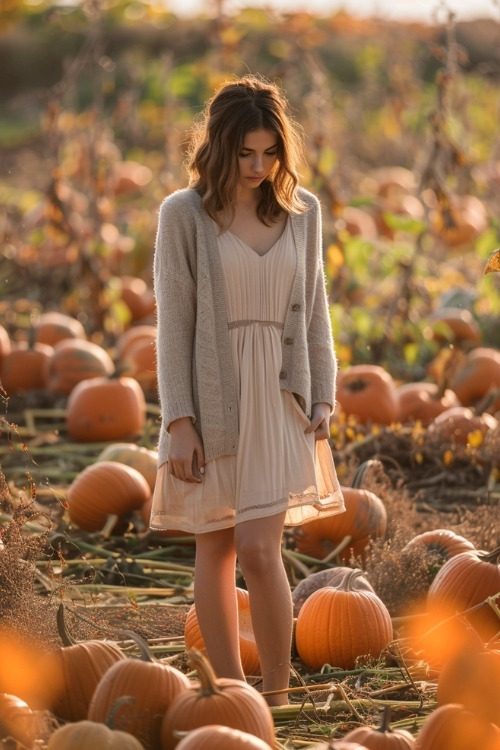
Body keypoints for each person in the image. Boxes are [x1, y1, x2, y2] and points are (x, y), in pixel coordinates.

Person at [149, 74, 344, 706]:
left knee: (262, 551)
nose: (259, 167)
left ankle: (278, 697)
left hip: (278, 397)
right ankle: (233, 693)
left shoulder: (302, 211)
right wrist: (179, 418)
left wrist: (322, 393)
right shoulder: (184, 215)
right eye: (245, 153)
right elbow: (173, 322)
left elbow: (314, 309)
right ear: (219, 146)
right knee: (218, 550)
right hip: (213, 398)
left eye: (270, 153)